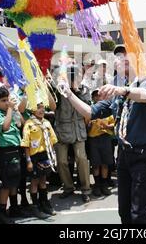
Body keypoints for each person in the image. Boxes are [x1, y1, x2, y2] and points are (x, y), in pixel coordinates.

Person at [58, 64, 146, 224]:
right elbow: (90, 112)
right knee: (124, 211)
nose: (119, 61)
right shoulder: (118, 94)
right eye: (118, 57)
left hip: (145, 155)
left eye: (124, 56)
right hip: (124, 154)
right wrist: (69, 94)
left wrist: (122, 90)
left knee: (140, 214)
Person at [0, 87, 27, 224]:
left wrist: (15, 109)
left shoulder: (9, 111)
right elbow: (4, 127)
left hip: (16, 149)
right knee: (6, 182)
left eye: (7, 99)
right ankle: (2, 213)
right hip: (5, 151)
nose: (7, 103)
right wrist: (10, 109)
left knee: (14, 179)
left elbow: (22, 124)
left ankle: (15, 207)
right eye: (3, 101)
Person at [54, 65, 92, 203]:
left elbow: (88, 107)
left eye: (76, 75)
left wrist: (77, 91)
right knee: (61, 161)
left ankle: (86, 189)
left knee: (81, 159)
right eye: (72, 75)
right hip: (62, 130)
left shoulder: (84, 90)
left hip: (78, 130)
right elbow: (53, 105)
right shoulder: (59, 90)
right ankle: (68, 187)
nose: (74, 78)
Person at [21, 102, 58, 218]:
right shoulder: (29, 124)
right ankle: (35, 206)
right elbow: (26, 144)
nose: (41, 110)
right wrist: (28, 161)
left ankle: (44, 203)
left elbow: (52, 140)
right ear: (32, 110)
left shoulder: (46, 123)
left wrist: (53, 157)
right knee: (34, 181)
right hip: (34, 157)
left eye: (42, 108)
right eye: (38, 107)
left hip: (45, 155)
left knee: (43, 179)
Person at [87, 89, 115, 197]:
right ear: (93, 98)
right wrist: (89, 124)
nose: (98, 98)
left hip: (105, 138)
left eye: (99, 96)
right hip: (94, 139)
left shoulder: (108, 110)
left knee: (105, 163)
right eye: (95, 96)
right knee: (95, 164)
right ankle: (97, 185)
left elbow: (115, 123)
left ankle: (104, 184)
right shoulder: (90, 111)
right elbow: (86, 125)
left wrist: (107, 126)